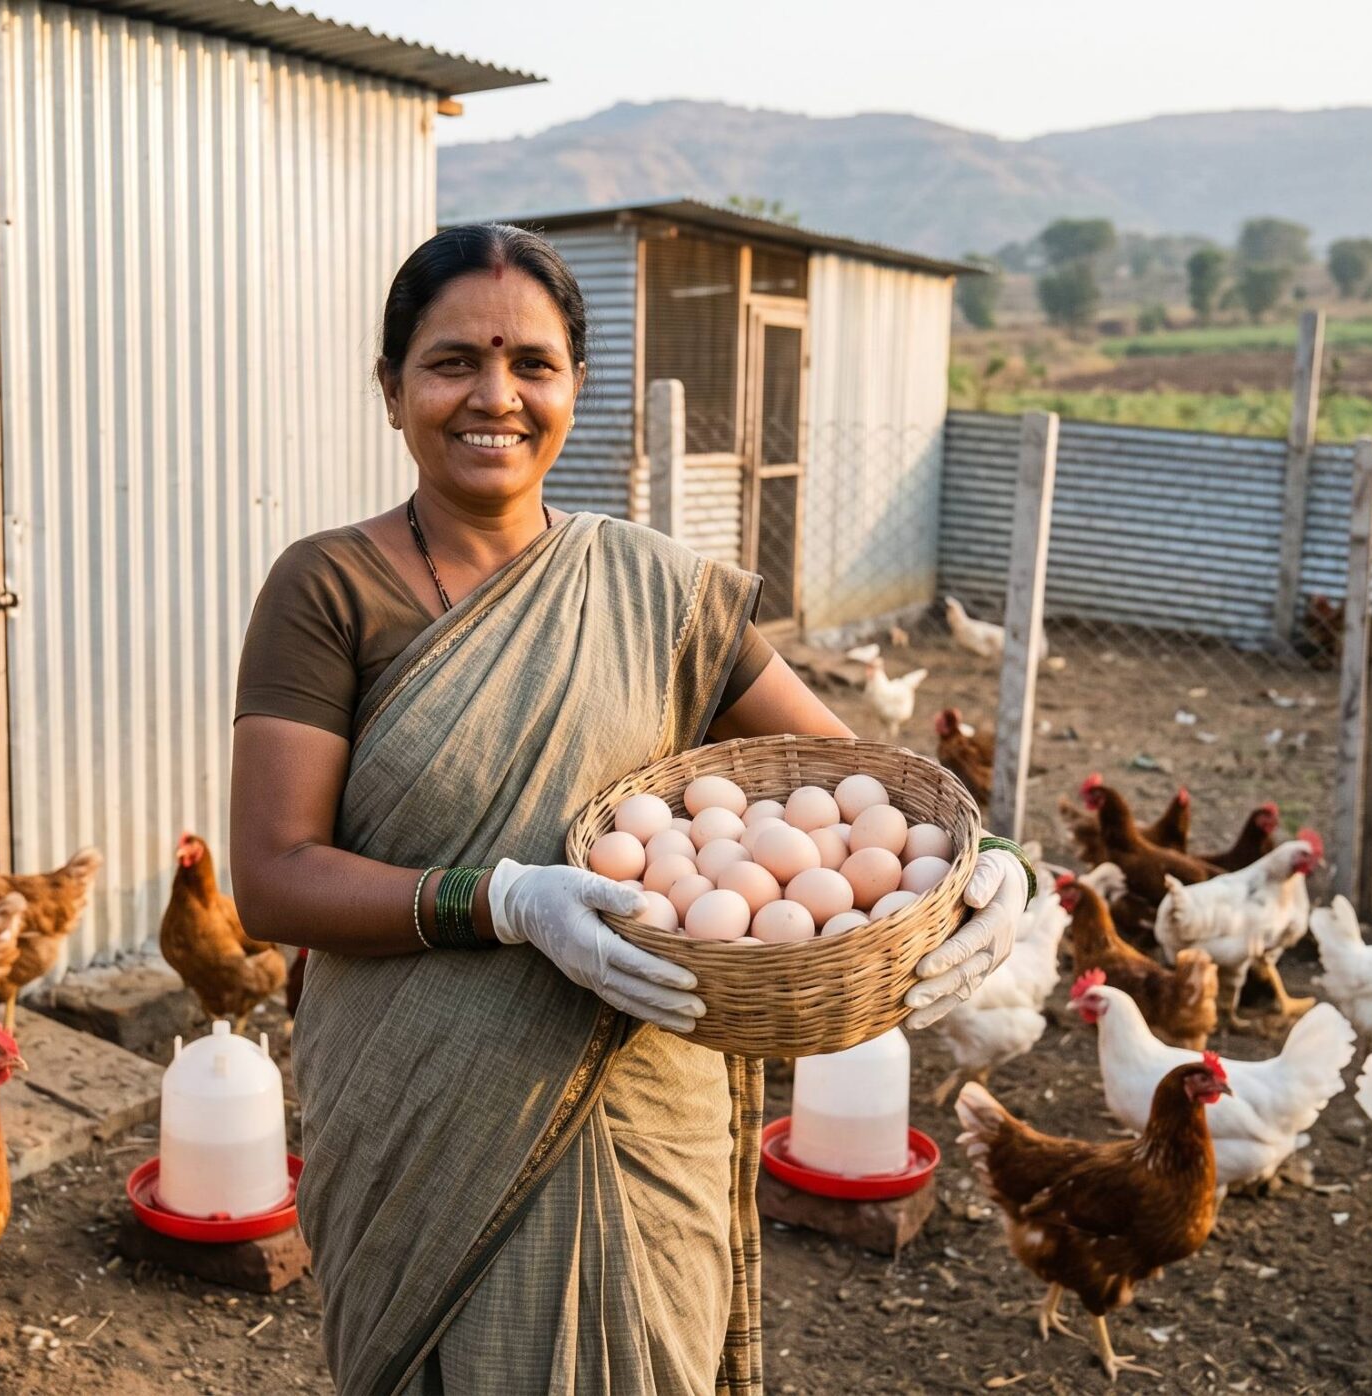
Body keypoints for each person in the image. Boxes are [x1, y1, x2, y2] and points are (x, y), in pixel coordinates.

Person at [228, 223, 1026, 1396]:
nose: (493, 396)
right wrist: (498, 898)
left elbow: (853, 781)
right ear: (390, 386)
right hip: (418, 1111)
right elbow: (272, 873)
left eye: (532, 364)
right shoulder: (328, 586)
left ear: (575, 387)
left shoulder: (656, 591)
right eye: (452, 361)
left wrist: (991, 860)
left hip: (644, 1101)